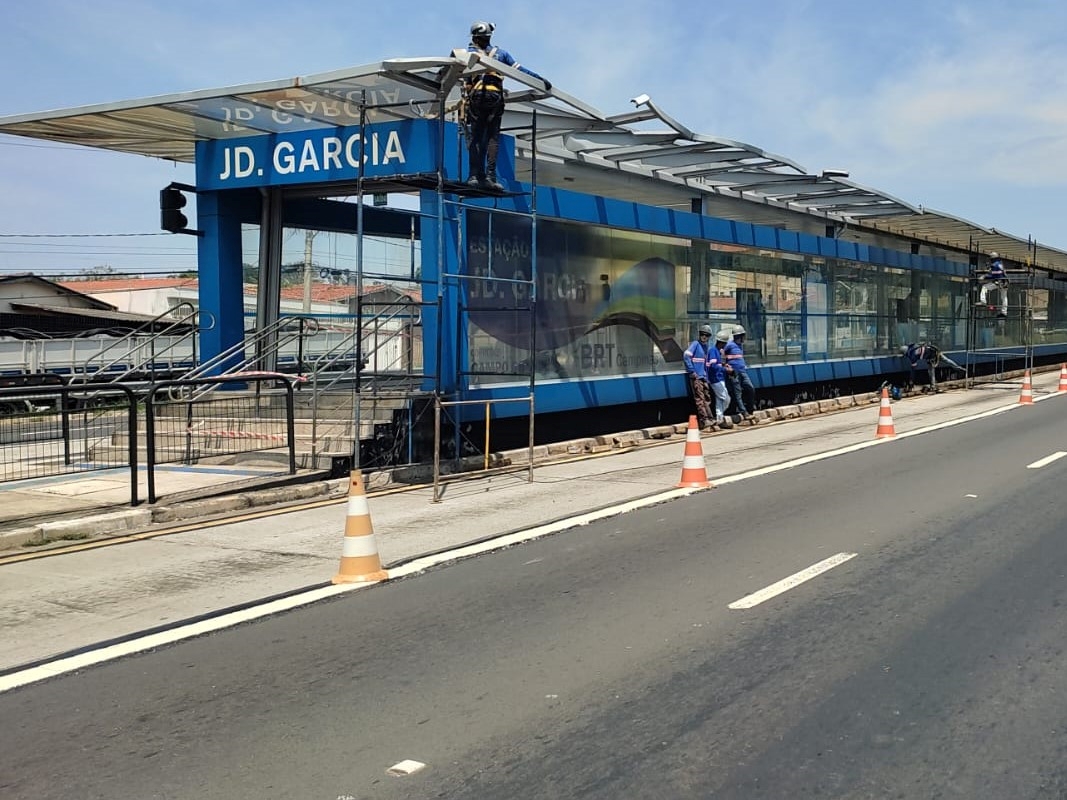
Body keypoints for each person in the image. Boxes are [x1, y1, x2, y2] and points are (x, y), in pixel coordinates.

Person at [462, 21, 550, 191]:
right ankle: (490, 176)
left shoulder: (468, 54)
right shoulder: (501, 54)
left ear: (475, 37)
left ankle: (474, 175)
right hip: (494, 99)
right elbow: (520, 70)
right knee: (493, 138)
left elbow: (460, 74)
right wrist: (539, 79)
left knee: (476, 138)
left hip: (478, 98)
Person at [683, 324, 715, 431]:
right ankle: (704, 420)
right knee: (700, 399)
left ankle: (710, 418)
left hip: (703, 377)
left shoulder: (706, 347)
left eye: (706, 335)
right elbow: (686, 355)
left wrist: (706, 376)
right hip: (697, 377)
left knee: (707, 398)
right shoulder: (696, 344)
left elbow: (705, 363)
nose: (704, 337)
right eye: (702, 334)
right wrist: (692, 371)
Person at [723, 324, 757, 424]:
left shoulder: (740, 346)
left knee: (750, 388)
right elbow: (721, 354)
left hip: (742, 371)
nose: (744, 338)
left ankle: (750, 410)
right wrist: (726, 367)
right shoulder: (729, 345)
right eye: (743, 336)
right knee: (738, 394)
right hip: (734, 372)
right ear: (739, 336)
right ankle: (744, 413)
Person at [901, 342, 966, 393]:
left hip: (931, 357)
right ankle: (960, 368)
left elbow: (913, 369)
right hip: (935, 350)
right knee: (947, 360)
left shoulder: (912, 356)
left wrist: (911, 380)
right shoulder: (913, 346)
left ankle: (933, 387)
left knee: (931, 372)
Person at [708, 330, 733, 429]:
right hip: (715, 379)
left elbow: (717, 364)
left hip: (720, 378)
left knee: (720, 400)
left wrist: (723, 365)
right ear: (722, 343)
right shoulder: (713, 351)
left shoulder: (718, 352)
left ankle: (719, 418)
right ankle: (719, 417)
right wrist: (725, 369)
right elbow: (713, 366)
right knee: (726, 398)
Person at [978, 251, 1008, 317]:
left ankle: (983, 301)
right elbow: (997, 272)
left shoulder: (994, 265)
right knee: (1004, 297)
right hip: (1004, 282)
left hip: (998, 282)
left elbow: (993, 275)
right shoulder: (1000, 264)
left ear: (992, 259)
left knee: (985, 287)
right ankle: (1004, 312)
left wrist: (984, 276)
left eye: (991, 259)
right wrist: (989, 270)